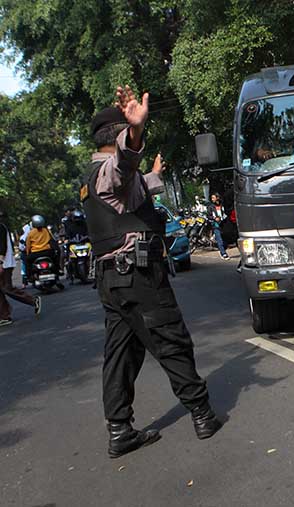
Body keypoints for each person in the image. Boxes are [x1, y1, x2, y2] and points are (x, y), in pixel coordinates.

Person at [84, 85, 221, 458]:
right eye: (124, 132)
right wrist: (136, 131)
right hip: (138, 277)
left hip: (111, 282)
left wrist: (155, 174)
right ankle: (202, 412)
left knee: (121, 355)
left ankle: (119, 430)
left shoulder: (90, 178)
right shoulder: (111, 169)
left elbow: (131, 191)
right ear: (117, 136)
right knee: (170, 340)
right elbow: (123, 168)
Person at [0, 211, 40, 326]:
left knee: (6, 288)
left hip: (5, 264)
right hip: (3, 263)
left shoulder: (1, 227)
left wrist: (0, 262)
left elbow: (2, 246)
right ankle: (4, 316)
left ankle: (32, 300)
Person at [24, 215, 61, 283]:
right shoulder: (46, 230)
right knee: (55, 259)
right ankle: (58, 270)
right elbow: (52, 240)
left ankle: (28, 276)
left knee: (27, 261)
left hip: (35, 254)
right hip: (48, 252)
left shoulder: (30, 233)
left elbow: (28, 246)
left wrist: (27, 253)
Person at [207, 192, 230, 259]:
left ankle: (222, 249)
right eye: (211, 198)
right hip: (216, 225)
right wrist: (214, 218)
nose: (212, 199)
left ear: (217, 198)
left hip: (223, 224)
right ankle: (223, 253)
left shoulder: (222, 205)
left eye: (213, 197)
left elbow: (225, 213)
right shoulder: (211, 207)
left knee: (225, 239)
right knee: (219, 239)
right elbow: (208, 216)